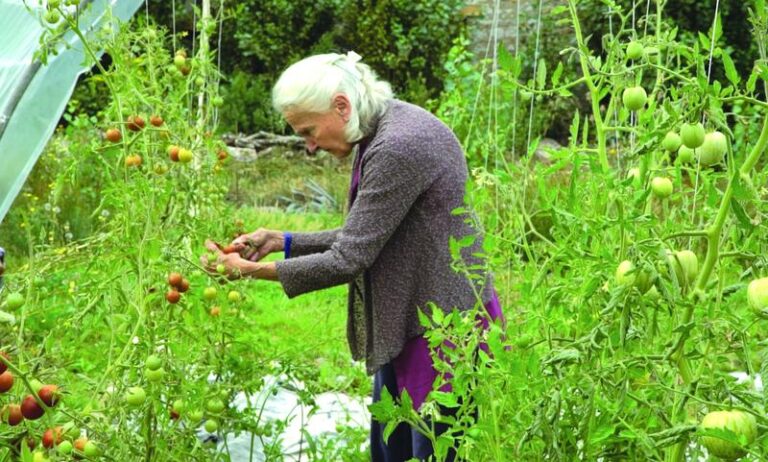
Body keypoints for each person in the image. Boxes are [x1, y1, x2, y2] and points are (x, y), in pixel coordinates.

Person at [202, 51, 502, 461]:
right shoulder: (380, 126)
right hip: (414, 321)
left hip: (444, 336)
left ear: (341, 106)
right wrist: (282, 240)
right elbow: (366, 232)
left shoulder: (398, 145)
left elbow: (348, 257)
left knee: (432, 451)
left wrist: (252, 271)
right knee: (392, 450)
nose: (309, 146)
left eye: (308, 130)